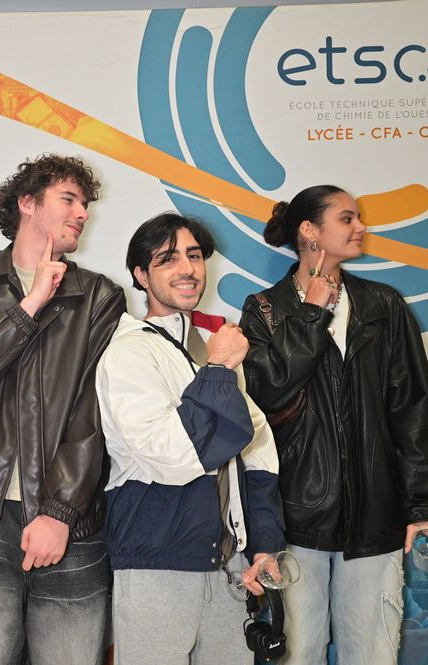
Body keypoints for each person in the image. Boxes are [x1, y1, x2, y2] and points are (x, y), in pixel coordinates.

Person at [239, 185, 428, 665]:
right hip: (294, 518)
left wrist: (423, 504)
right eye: (347, 218)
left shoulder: (383, 305)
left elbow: (413, 409)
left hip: (375, 515)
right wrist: (311, 314)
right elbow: (265, 395)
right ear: (309, 230)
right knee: (298, 653)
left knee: (372, 654)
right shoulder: (265, 310)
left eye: (358, 218)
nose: (361, 227)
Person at [0, 154, 126, 665]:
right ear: (27, 203)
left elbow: (93, 414)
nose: (82, 213)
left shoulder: (99, 296)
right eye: (69, 199)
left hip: (72, 525)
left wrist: (59, 512)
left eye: (85, 204)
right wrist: (30, 304)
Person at [96, 212, 286, 664]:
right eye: (167, 259)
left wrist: (263, 543)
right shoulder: (128, 352)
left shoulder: (209, 344)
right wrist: (218, 369)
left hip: (230, 567)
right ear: (141, 275)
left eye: (194, 256)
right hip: (156, 562)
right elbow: (174, 455)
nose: (187, 269)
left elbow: (257, 452)